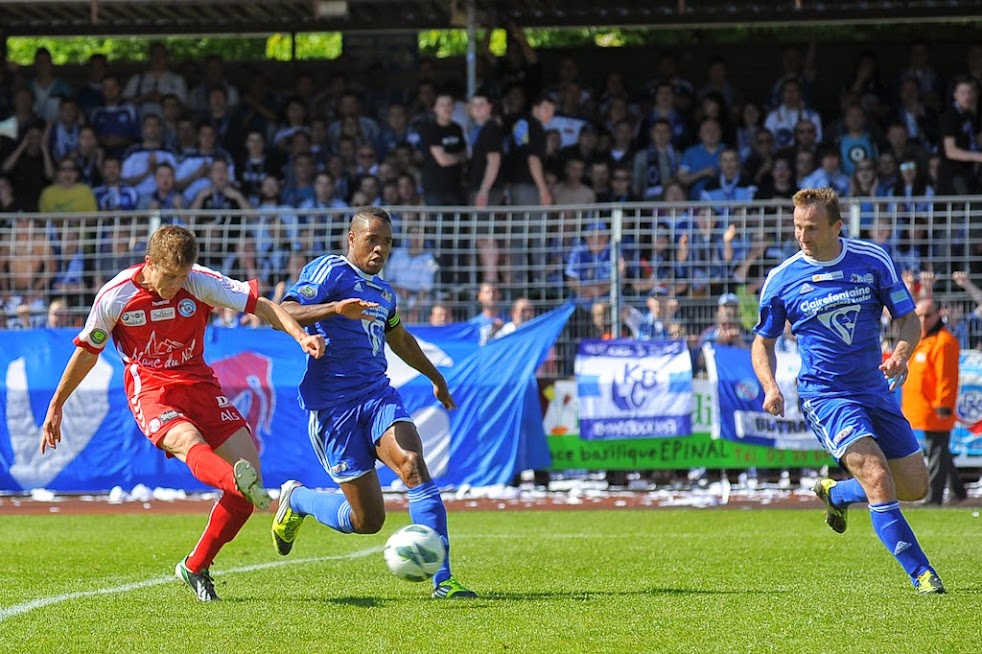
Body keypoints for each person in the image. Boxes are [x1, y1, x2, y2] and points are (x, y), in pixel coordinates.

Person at [39, 225, 325, 602]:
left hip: (199, 383)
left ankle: (195, 566)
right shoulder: (115, 295)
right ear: (149, 263)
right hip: (152, 389)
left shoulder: (199, 281)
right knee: (188, 441)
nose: (175, 285)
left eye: (182, 276)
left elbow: (264, 306)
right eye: (169, 276)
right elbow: (87, 352)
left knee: (248, 480)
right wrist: (57, 403)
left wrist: (300, 336)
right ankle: (236, 482)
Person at [273, 206, 478, 600]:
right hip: (333, 408)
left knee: (414, 465)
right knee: (368, 521)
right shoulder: (330, 271)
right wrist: (335, 309)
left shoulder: (384, 292)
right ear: (352, 238)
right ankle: (296, 499)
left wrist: (435, 378)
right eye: (373, 239)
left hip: (376, 395)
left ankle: (444, 581)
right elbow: (285, 311)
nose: (381, 249)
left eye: (387, 242)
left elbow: (399, 339)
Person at [751, 187, 945, 594]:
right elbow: (762, 342)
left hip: (874, 387)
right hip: (826, 394)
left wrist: (903, 355)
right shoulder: (782, 278)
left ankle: (837, 493)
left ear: (838, 226)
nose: (803, 236)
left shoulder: (871, 260)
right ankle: (923, 574)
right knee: (877, 474)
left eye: (813, 228)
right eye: (798, 227)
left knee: (915, 486)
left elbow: (908, 318)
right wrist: (769, 386)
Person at [902, 298, 967, 506]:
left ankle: (934, 498)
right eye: (919, 316)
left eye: (927, 315)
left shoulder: (944, 342)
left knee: (937, 451)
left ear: (939, 314)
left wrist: (944, 405)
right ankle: (958, 490)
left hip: (936, 408)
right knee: (941, 451)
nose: (922, 320)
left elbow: (946, 376)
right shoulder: (922, 340)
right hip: (921, 408)